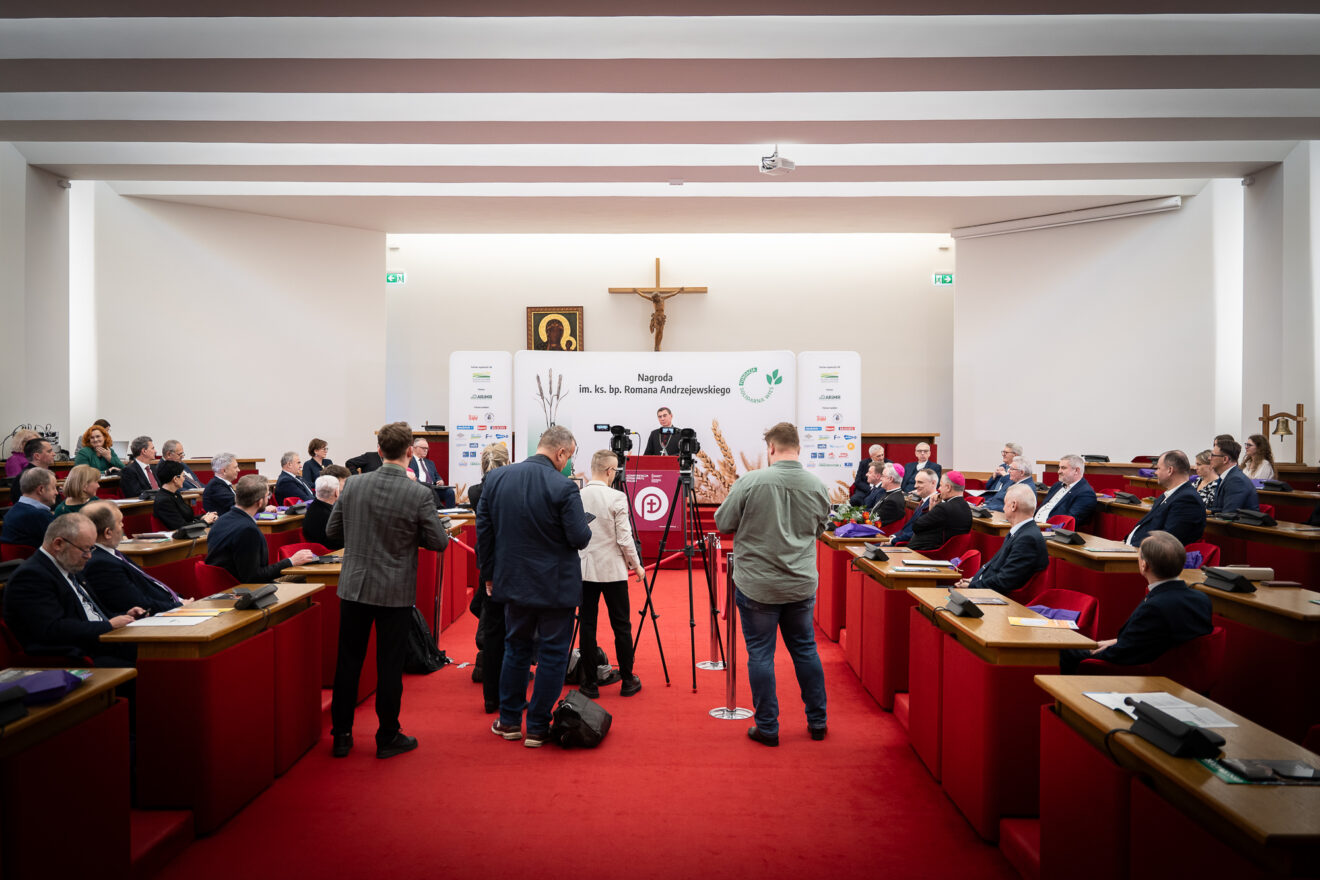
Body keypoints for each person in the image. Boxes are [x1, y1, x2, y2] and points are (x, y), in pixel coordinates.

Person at [326, 422, 451, 760]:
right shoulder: (418, 493)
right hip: (394, 590)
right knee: (390, 665)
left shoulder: (353, 484)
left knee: (348, 661)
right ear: (409, 451)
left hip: (355, 585)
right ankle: (387, 735)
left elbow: (332, 530)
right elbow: (439, 542)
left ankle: (341, 735)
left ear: (379, 450)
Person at [714, 422, 830, 746]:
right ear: (798, 448)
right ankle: (818, 721)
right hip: (800, 583)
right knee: (805, 650)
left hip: (758, 584)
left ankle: (768, 727)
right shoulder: (818, 486)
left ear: (771, 449)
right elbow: (820, 529)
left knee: (760, 654)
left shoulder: (751, 481)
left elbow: (723, 522)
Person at [478, 426, 591, 748]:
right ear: (560, 452)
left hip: (513, 580)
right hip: (556, 585)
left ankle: (510, 721)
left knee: (515, 648)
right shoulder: (564, 487)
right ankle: (538, 727)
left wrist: (489, 575)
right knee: (553, 654)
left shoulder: (496, 479)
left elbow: (485, 532)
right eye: (569, 457)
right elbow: (579, 538)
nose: (568, 463)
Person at [2, 513, 143, 666]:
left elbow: (91, 612)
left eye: (91, 549)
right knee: (147, 661)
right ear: (58, 544)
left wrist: (123, 616)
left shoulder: (68, 564)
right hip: (73, 656)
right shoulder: (31, 576)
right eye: (85, 549)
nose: (89, 556)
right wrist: (108, 625)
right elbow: (52, 629)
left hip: (100, 642)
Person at [1062, 531, 1211, 674]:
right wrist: (1116, 641)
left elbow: (1123, 654)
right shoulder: (1202, 599)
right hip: (1183, 676)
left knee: (1063, 652)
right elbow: (1156, 639)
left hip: (1134, 675)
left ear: (1144, 565)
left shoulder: (1154, 608)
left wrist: (1090, 653)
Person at [578, 450, 647, 700]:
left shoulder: (578, 495)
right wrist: (636, 565)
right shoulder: (617, 497)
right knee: (621, 625)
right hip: (613, 571)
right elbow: (625, 538)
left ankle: (589, 683)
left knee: (587, 625)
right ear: (610, 471)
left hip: (585, 569)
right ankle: (627, 680)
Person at [205, 474, 318, 583]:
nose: (268, 499)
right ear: (260, 502)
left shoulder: (221, 520)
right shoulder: (247, 530)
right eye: (267, 496)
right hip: (244, 589)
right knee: (309, 574)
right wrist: (291, 561)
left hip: (224, 584)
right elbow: (254, 577)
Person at [82, 501, 187, 616]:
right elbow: (138, 604)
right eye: (120, 522)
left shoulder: (109, 553)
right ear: (108, 533)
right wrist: (179, 606)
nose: (123, 525)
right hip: (160, 615)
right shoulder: (101, 564)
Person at [468, 442, 509, 714]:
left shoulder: (475, 491)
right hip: (509, 564)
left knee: (491, 623)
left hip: (487, 564)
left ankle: (491, 693)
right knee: (512, 627)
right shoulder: (510, 489)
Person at [961, 484, 1048, 596]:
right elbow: (995, 567)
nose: (1003, 508)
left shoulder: (1027, 539)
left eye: (1005, 503)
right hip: (987, 589)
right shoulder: (1022, 532)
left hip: (999, 598)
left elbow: (1005, 581)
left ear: (1013, 506)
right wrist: (974, 580)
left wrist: (972, 586)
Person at [1125, 450, 1206, 547]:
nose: (1155, 472)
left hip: (1149, 553)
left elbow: (1168, 540)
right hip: (1135, 548)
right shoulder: (1169, 495)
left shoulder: (1187, 499)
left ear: (1170, 470)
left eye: (1159, 468)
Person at [906, 471, 973, 553]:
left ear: (948, 487)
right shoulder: (966, 507)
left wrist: (932, 509)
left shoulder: (943, 508)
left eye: (941, 485)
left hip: (926, 554)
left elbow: (916, 527)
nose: (939, 489)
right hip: (947, 553)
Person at [1035, 453, 1097, 528]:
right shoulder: (1057, 486)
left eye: (1063, 468)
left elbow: (1069, 522)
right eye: (1059, 468)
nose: (1059, 471)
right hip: (1034, 525)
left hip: (1048, 529)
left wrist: (1041, 526)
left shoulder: (1086, 494)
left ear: (1076, 470)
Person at [153, 460, 218, 531]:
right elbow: (181, 527)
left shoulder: (175, 494)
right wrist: (205, 521)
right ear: (175, 479)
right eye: (183, 476)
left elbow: (188, 519)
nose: (184, 479)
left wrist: (203, 517)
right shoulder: (164, 501)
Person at [1, 467, 58, 548]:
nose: (56, 492)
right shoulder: (39, 516)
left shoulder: (11, 512)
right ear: (41, 489)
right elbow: (64, 543)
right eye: (53, 488)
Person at [886, 469, 939, 546]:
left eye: (920, 482)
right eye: (916, 482)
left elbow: (919, 532)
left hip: (911, 546)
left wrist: (894, 540)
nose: (915, 486)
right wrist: (894, 536)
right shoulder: (923, 501)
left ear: (933, 483)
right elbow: (909, 527)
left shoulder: (935, 504)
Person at [1209, 437, 1259, 514]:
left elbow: (1229, 514)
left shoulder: (1236, 480)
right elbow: (1219, 508)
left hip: (1239, 522)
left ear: (1225, 459)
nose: (1209, 458)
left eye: (1212, 455)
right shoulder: (1227, 476)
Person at [407, 437, 456, 508]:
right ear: (414, 448)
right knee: (429, 490)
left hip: (433, 488)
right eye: (423, 448)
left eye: (427, 448)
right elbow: (410, 476)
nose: (425, 450)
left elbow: (436, 475)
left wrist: (440, 480)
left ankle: (451, 513)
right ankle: (439, 509)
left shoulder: (430, 463)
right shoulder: (409, 460)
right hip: (418, 488)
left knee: (449, 492)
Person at [8, 435, 56, 501]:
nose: (54, 454)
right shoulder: (26, 477)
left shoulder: (45, 473)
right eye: (49, 451)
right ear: (37, 456)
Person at [303, 474, 343, 551]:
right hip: (330, 552)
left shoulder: (313, 507)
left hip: (317, 550)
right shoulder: (330, 515)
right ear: (336, 492)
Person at [864, 462, 907, 529]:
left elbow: (875, 520)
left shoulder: (893, 501)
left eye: (883, 476)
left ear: (890, 479)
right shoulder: (891, 494)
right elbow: (874, 511)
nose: (881, 479)